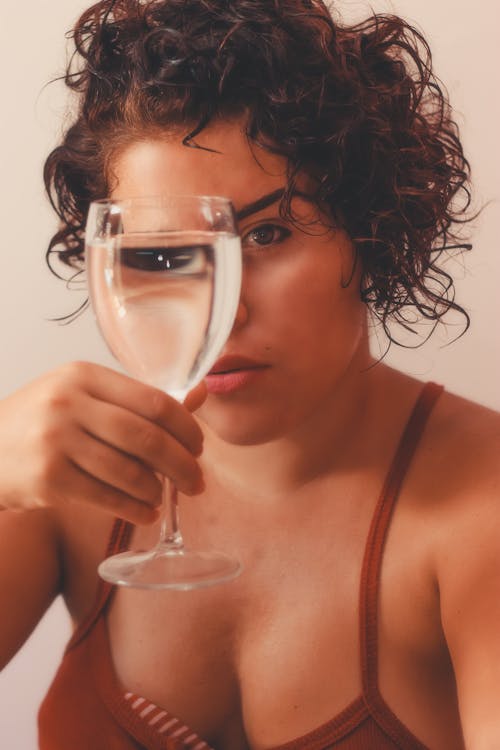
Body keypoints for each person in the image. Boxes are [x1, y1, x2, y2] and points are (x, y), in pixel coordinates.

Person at [0, 0, 499, 748]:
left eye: (265, 235)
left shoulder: (480, 509)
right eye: (164, 257)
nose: (218, 312)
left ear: (370, 231)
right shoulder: (73, 484)